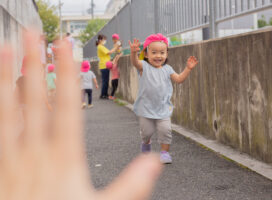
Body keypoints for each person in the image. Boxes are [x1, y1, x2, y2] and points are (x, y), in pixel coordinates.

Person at [0, 31, 162, 200]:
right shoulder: (100, 51)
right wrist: (48, 105)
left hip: (25, 110)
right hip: (34, 111)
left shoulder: (19, 80)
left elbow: (13, 96)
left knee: (30, 127)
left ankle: (27, 149)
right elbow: (41, 93)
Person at [129, 33, 198, 164]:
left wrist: (188, 69)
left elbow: (179, 80)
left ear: (167, 54)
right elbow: (135, 62)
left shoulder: (168, 69)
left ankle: (164, 153)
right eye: (154, 52)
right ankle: (146, 143)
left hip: (163, 108)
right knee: (146, 132)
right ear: (147, 54)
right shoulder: (144, 66)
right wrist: (133, 53)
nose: (158, 56)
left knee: (166, 131)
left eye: (162, 52)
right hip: (145, 108)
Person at [96, 34, 120, 99]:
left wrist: (115, 48)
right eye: (104, 39)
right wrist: (116, 47)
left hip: (104, 65)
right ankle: (103, 95)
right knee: (105, 81)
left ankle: (104, 94)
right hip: (104, 65)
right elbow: (109, 52)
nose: (105, 41)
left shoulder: (101, 46)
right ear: (100, 40)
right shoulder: (100, 46)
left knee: (105, 80)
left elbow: (109, 52)